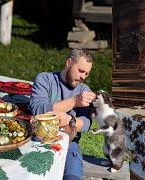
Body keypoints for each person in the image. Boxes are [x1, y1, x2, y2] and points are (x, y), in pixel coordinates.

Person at [29, 49, 96, 180]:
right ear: (69, 63)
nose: (83, 77)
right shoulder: (45, 79)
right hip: (38, 139)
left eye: (87, 73)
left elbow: (87, 122)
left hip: (69, 143)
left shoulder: (84, 90)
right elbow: (38, 109)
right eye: (81, 71)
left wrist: (70, 120)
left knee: (72, 177)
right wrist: (75, 101)